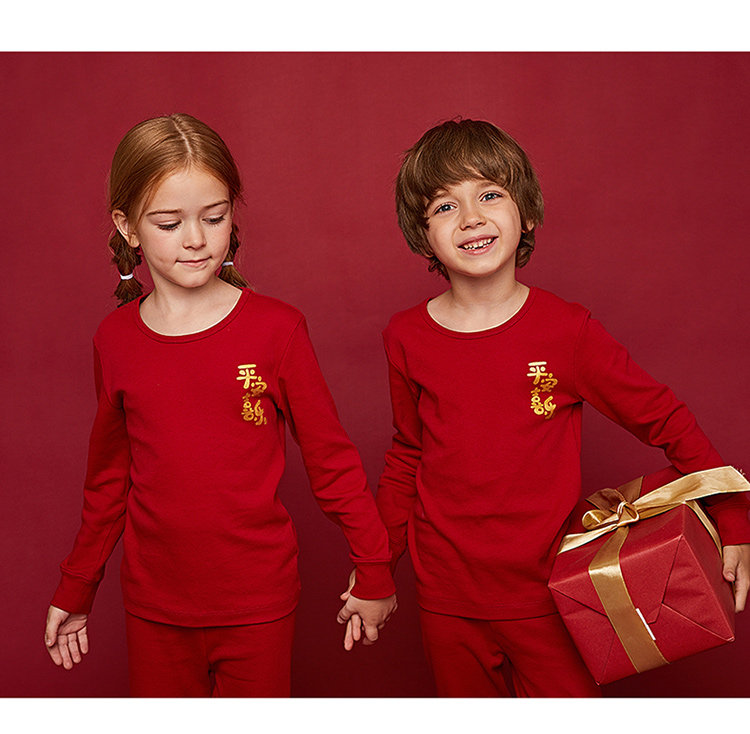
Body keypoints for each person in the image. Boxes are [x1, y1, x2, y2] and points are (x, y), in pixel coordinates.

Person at [367, 118, 750, 696]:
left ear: (525, 212)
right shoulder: (405, 337)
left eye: (489, 195)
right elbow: (407, 455)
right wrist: (375, 572)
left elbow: (667, 420)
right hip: (447, 598)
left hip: (553, 593)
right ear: (423, 236)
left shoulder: (568, 332)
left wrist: (733, 517)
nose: (470, 218)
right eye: (445, 206)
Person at [44, 113, 396, 697]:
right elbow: (108, 481)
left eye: (214, 217)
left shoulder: (277, 329)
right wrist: (77, 586)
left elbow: (331, 460)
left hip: (258, 602)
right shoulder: (115, 339)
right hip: (155, 606)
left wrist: (375, 568)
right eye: (169, 223)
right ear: (128, 227)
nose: (196, 239)